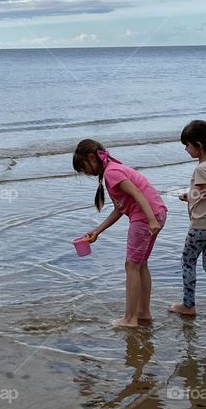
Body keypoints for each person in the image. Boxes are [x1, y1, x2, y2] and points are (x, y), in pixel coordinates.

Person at [72, 138, 167, 329]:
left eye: (84, 167)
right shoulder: (113, 169)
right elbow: (120, 208)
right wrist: (97, 231)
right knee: (140, 265)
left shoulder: (112, 172)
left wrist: (150, 220)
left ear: (92, 158)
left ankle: (130, 319)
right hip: (156, 211)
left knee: (131, 265)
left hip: (146, 216)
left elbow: (138, 195)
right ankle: (143, 313)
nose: (87, 173)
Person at [168, 119, 206, 322]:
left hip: (203, 226)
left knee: (188, 261)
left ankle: (188, 305)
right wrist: (190, 195)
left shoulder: (201, 169)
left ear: (199, 145)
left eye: (187, 145)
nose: (186, 149)